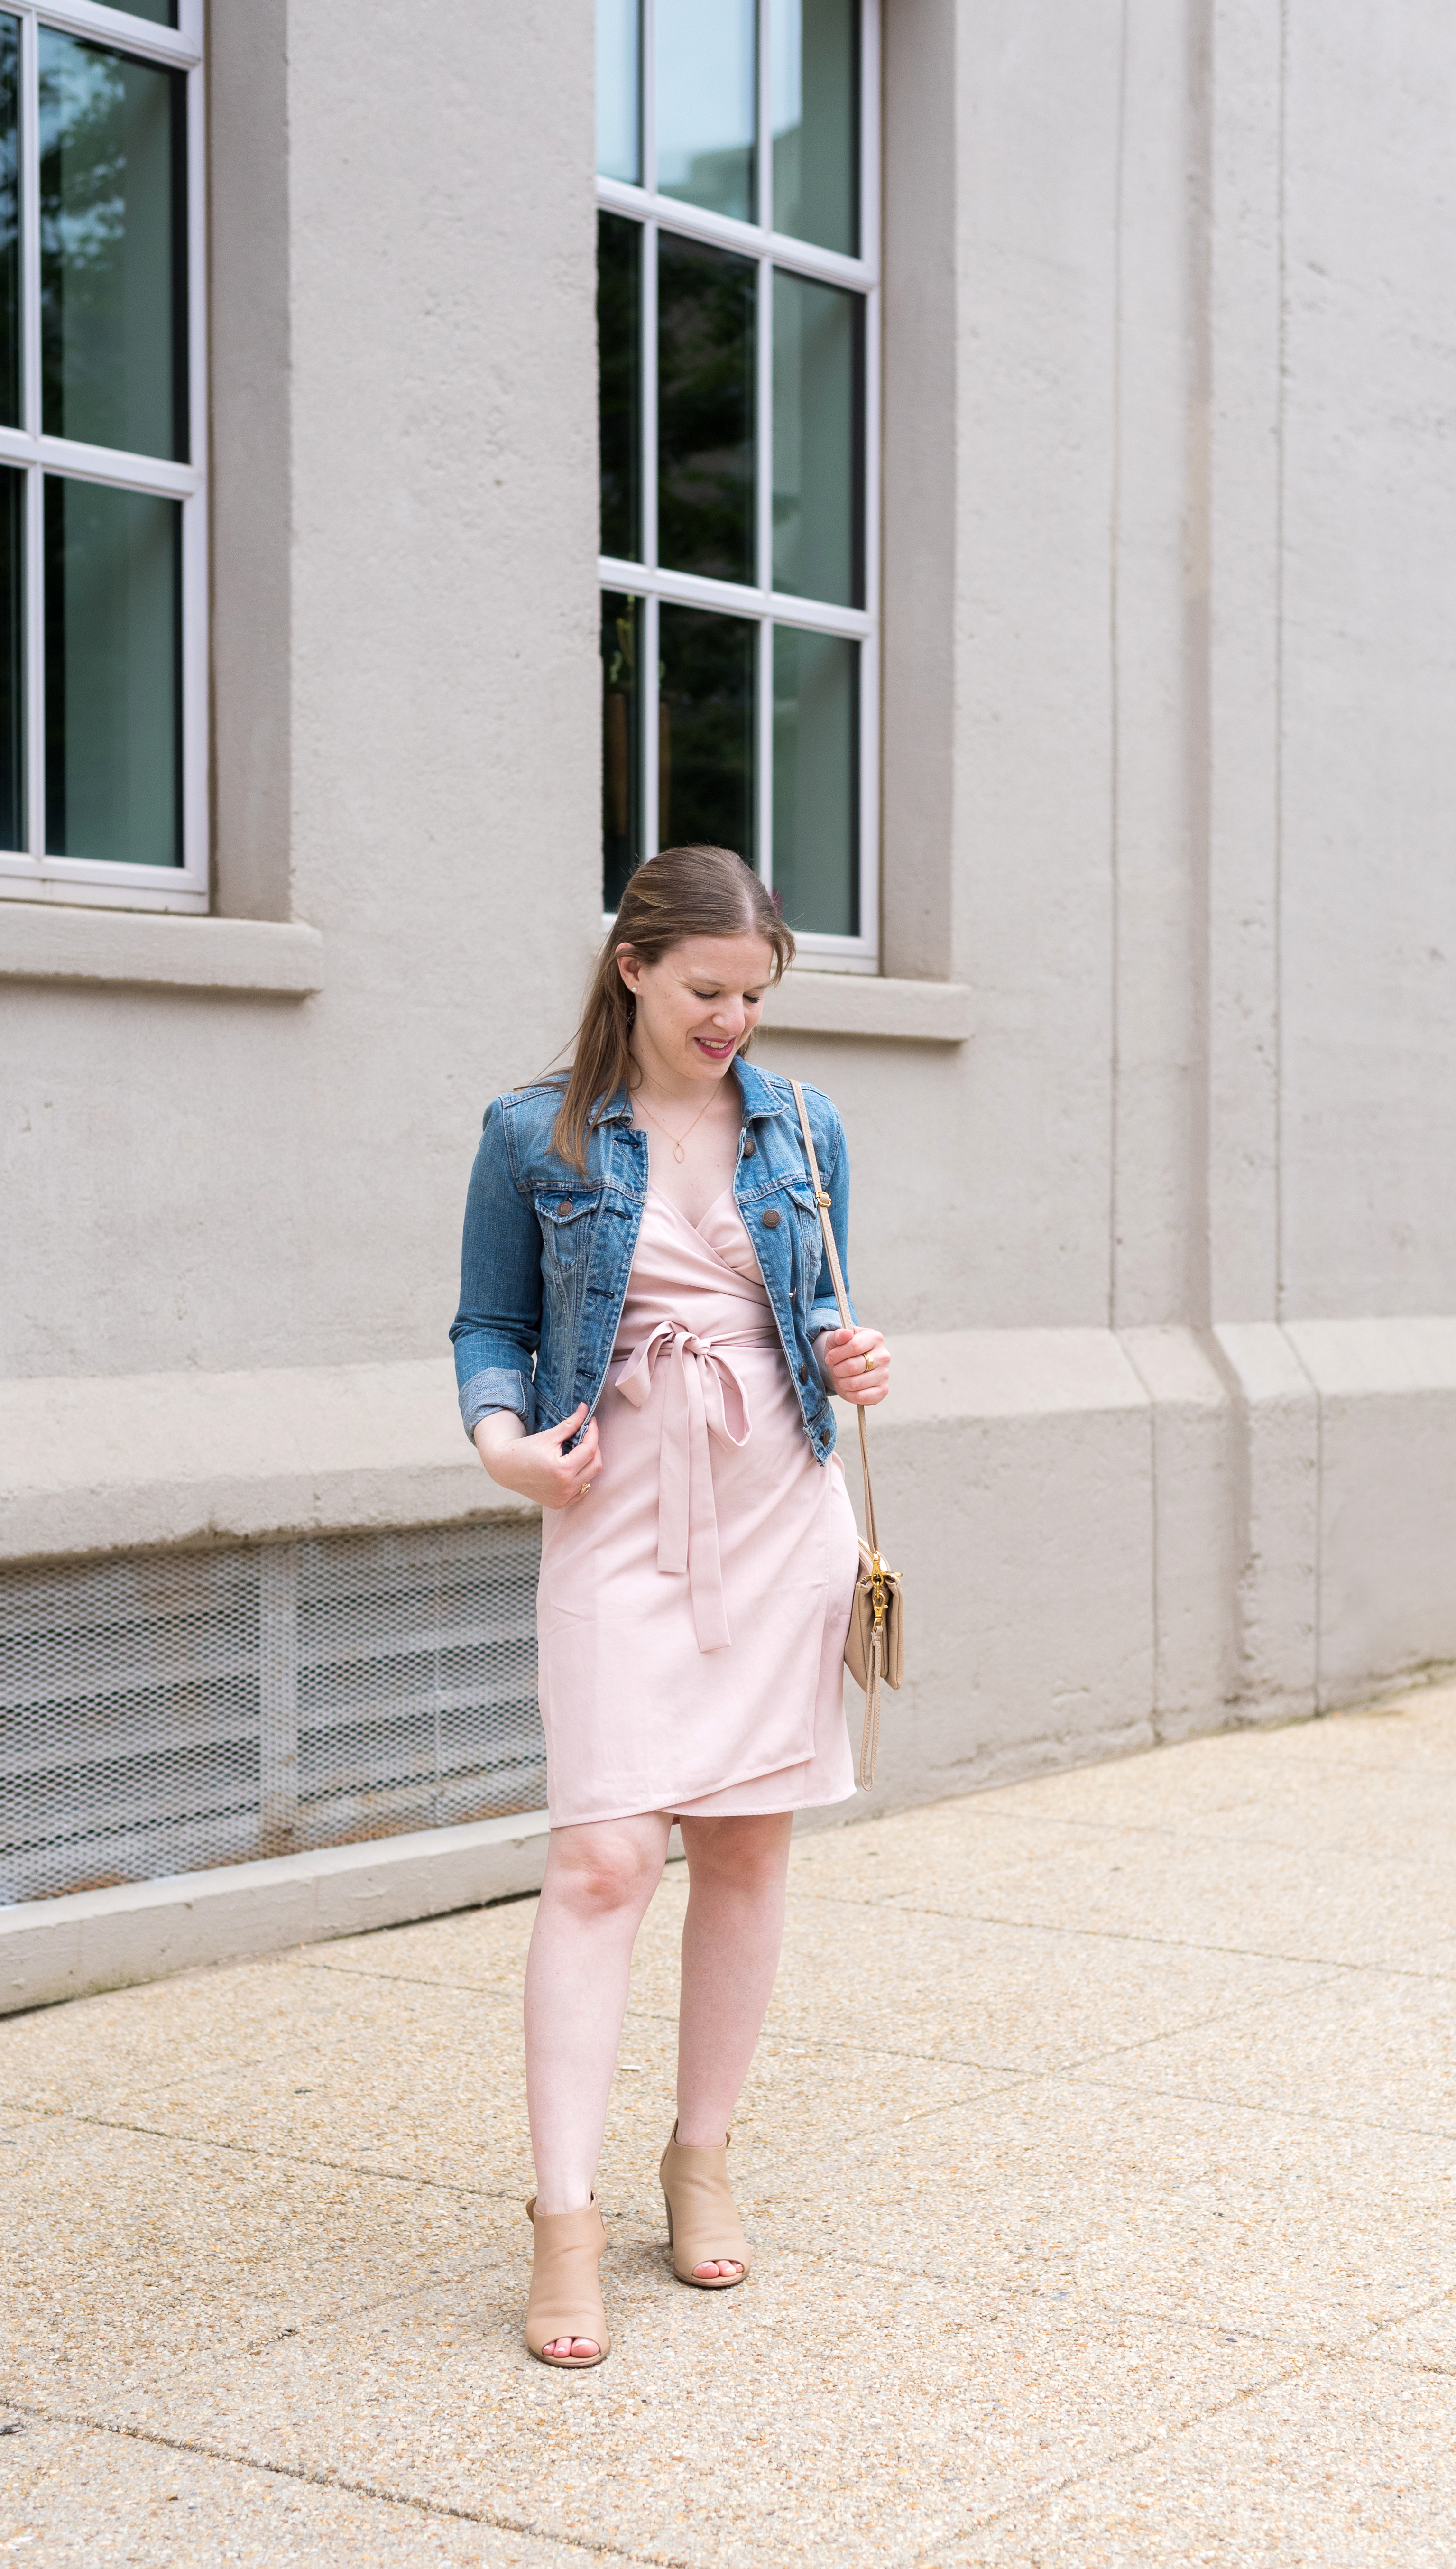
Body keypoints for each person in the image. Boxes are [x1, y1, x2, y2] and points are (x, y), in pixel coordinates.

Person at [449, 848, 892, 2367]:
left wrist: (847, 1353)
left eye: (757, 996)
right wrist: (505, 1444)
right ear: (632, 966)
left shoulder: (804, 1124)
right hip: (619, 1509)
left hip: (779, 1509)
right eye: (710, 991)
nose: (735, 1023)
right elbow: (491, 1323)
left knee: (749, 1849)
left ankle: (698, 2154)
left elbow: (813, 1302)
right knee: (598, 1859)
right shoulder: (536, 1132)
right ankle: (561, 2218)